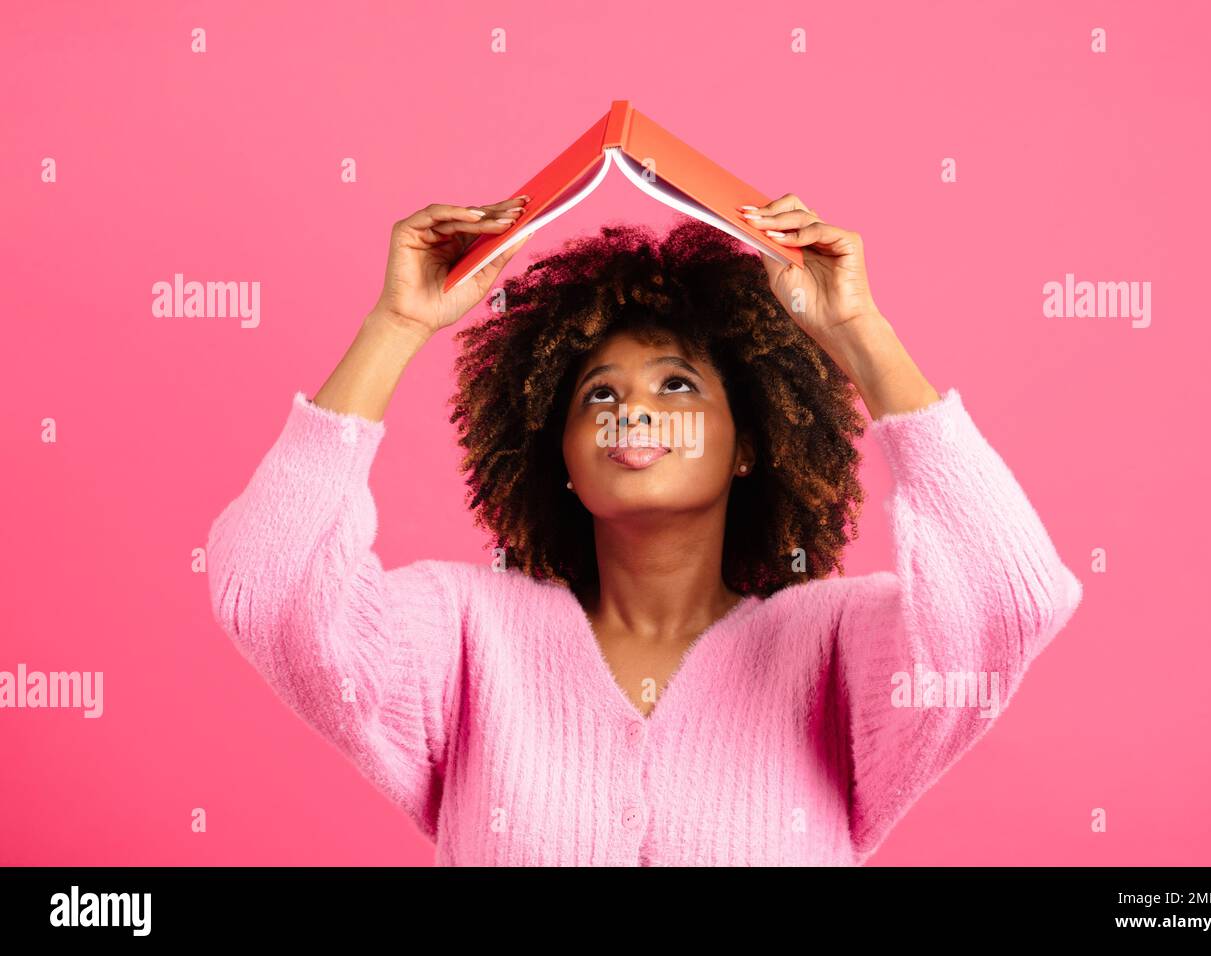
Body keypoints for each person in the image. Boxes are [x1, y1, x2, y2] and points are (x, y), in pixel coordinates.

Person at [205, 193, 1084, 866]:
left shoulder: (836, 646)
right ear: (561, 453)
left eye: (677, 386)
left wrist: (859, 333)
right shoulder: (467, 636)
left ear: (749, 446)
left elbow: (1009, 602)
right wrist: (396, 326)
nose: (635, 411)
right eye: (600, 395)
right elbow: (271, 590)